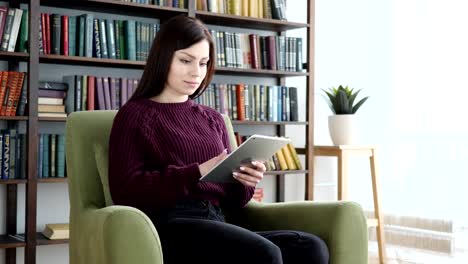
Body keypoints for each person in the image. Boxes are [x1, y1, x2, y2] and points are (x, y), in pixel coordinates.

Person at [108, 14, 329, 264]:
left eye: (203, 63)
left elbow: (236, 201)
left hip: (216, 220)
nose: (196, 72)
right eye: (186, 60)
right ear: (163, 58)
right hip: (170, 227)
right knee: (265, 254)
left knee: (311, 247)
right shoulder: (135, 115)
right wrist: (196, 172)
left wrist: (246, 181)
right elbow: (125, 191)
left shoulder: (212, 119)